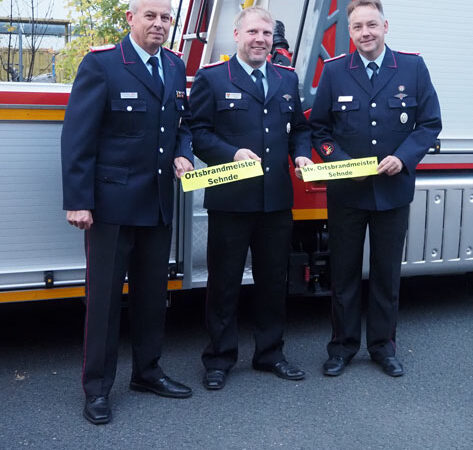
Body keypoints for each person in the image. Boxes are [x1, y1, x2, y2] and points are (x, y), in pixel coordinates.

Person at [61, 0, 194, 425]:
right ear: (130, 19)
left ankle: (147, 372)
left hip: (157, 202)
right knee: (103, 303)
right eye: (150, 16)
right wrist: (78, 200)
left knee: (153, 297)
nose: (159, 24)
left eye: (166, 18)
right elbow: (77, 137)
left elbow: (181, 125)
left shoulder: (174, 67)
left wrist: (183, 154)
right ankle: (97, 389)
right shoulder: (102, 65)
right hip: (111, 207)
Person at [309, 0, 441, 377]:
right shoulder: (335, 72)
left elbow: (429, 124)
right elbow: (320, 129)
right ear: (349, 32)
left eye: (371, 25)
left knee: (386, 275)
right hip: (347, 194)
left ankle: (383, 346)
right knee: (344, 274)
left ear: (386, 26)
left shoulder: (413, 68)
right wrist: (339, 163)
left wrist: (403, 157)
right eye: (357, 27)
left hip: (393, 190)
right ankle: (343, 347)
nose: (365, 33)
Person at [189, 6, 313, 390]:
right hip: (230, 199)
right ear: (237, 34)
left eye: (267, 34)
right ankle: (219, 358)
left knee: (273, 281)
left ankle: (270, 353)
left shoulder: (286, 79)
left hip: (275, 201)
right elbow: (199, 132)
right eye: (254, 32)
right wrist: (232, 154)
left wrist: (303, 153)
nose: (261, 39)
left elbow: (300, 130)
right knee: (223, 282)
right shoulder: (212, 78)